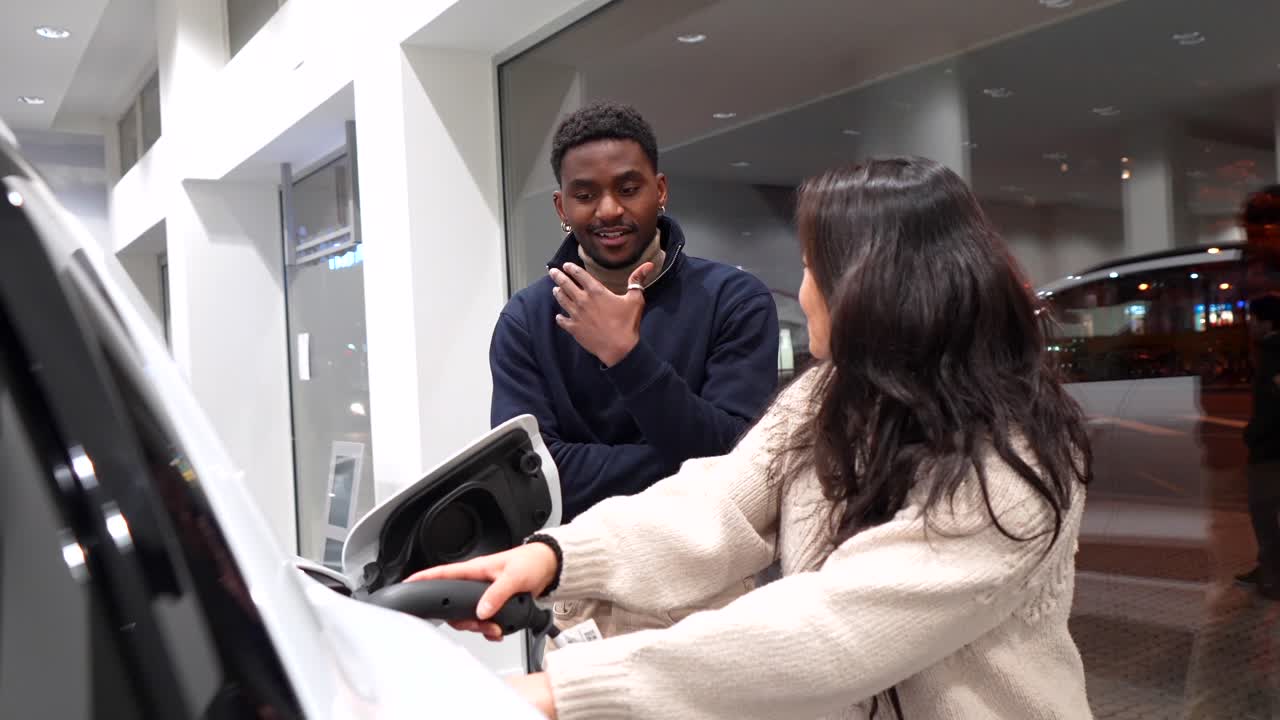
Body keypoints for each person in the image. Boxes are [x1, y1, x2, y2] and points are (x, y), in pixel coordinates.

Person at [418, 157, 1093, 719]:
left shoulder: (1013, 458)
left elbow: (836, 629)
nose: (800, 294)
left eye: (809, 269)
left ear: (872, 288)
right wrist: (557, 557)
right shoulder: (831, 396)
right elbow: (721, 502)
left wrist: (564, 690)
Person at [489, 100, 780, 522]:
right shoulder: (526, 320)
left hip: (711, 566)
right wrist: (683, 466)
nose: (608, 209)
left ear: (660, 190)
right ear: (561, 207)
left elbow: (739, 460)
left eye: (627, 189)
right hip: (568, 568)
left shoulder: (733, 300)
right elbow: (528, 480)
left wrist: (626, 358)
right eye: (585, 195)